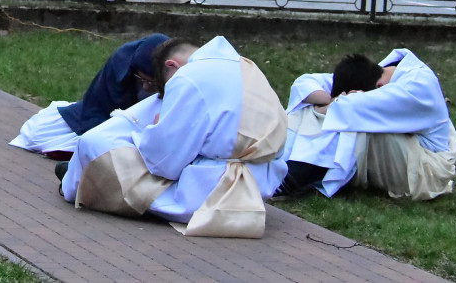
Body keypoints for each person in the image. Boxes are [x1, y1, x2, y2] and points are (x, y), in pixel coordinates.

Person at [59, 36, 288, 237]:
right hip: (263, 181)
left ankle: (78, 180)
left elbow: (163, 163)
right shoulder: (248, 67)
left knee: (96, 144)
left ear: (172, 65)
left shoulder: (187, 77)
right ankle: (77, 173)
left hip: (210, 191)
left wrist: (152, 131)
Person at [276, 50, 456, 201]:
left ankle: (292, 176)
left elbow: (350, 106)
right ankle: (281, 163)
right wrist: (327, 100)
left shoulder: (416, 87)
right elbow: (305, 82)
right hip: (409, 153)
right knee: (322, 108)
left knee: (355, 122)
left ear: (378, 86)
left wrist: (329, 104)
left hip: (427, 171)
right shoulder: (382, 72)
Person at [9, 33, 169, 158]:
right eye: (142, 80)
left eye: (153, 83)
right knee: (36, 135)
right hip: (102, 117)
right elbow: (101, 106)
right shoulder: (121, 62)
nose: (146, 86)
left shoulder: (178, 76)